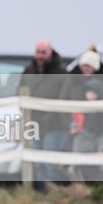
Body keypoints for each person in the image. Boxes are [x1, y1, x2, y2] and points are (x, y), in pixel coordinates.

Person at [19, 39, 70, 192]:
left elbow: (65, 98)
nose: (40, 56)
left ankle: (55, 192)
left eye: (43, 52)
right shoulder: (29, 71)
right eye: (38, 52)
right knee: (38, 162)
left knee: (50, 162)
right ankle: (42, 194)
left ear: (50, 52)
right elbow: (20, 92)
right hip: (34, 123)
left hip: (55, 124)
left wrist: (52, 114)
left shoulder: (61, 73)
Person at [66, 47, 103, 182]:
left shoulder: (100, 85)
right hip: (76, 128)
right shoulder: (73, 82)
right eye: (84, 65)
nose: (86, 68)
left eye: (90, 66)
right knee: (78, 165)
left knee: (90, 166)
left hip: (94, 129)